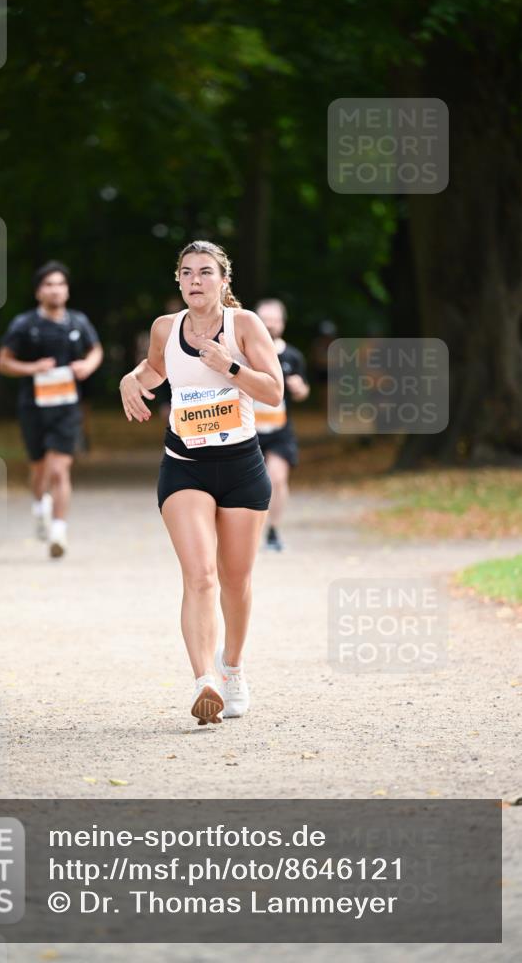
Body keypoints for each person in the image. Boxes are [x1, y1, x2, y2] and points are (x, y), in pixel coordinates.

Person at [119, 240, 283, 725]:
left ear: (223, 280)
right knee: (200, 576)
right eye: (187, 272)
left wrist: (229, 367)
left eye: (205, 272)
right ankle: (203, 681)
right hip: (184, 466)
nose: (195, 279)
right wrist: (132, 377)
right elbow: (156, 368)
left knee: (235, 580)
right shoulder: (165, 328)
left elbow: (273, 392)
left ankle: (231, 667)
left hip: (241, 469)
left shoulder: (245, 325)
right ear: (177, 280)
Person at [0, 261, 103, 558]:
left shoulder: (78, 322)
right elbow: (3, 362)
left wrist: (87, 365)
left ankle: (58, 532)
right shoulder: (24, 324)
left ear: (67, 290)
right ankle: (39, 505)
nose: (55, 289)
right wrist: (33, 368)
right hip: (33, 406)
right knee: (39, 468)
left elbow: (96, 350)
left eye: (60, 284)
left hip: (67, 406)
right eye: (49, 285)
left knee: (59, 469)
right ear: (38, 292)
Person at [254, 299, 310, 551]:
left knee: (277, 479)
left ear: (283, 323)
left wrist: (300, 389)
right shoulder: (246, 353)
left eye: (274, 319)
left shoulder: (292, 356)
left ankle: (273, 531)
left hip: (279, 430)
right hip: (246, 430)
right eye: (264, 319)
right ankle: (245, 534)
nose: (269, 324)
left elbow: (303, 391)